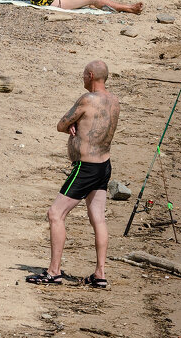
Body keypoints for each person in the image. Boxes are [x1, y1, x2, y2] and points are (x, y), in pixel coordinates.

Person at [27, 60, 118, 287]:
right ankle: (100, 274)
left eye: (83, 76)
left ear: (90, 75)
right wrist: (75, 126)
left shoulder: (87, 99)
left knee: (55, 214)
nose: (82, 79)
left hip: (85, 168)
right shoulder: (114, 101)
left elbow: (61, 124)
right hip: (104, 166)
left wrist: (70, 126)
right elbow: (94, 126)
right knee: (98, 217)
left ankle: (53, 272)